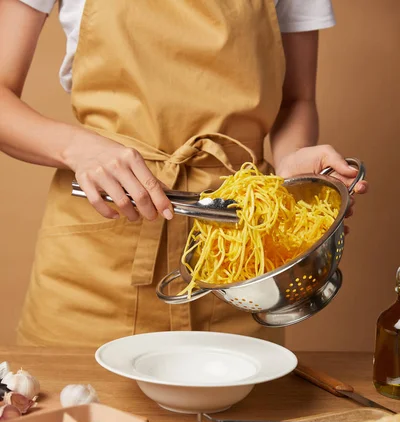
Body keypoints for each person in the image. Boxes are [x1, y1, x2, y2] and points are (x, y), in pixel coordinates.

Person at [0, 0, 368, 347]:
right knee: (72, 408)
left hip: (240, 254)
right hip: (94, 259)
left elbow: (296, 99)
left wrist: (293, 166)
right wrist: (77, 148)